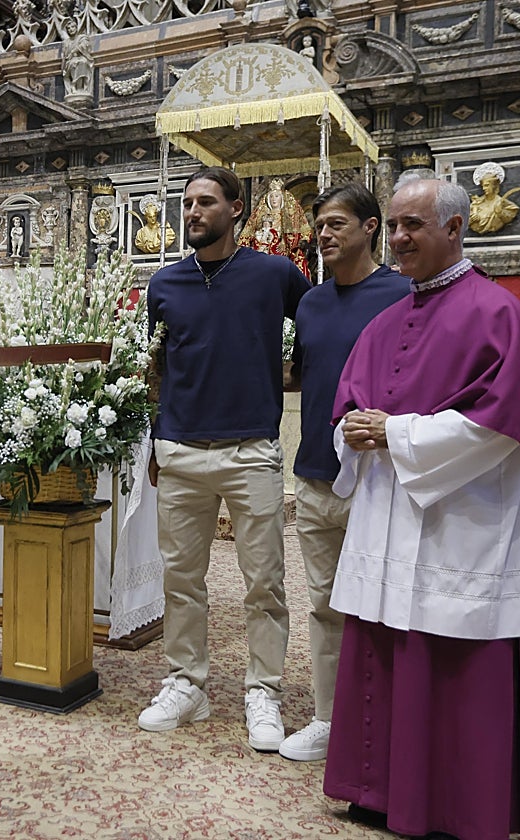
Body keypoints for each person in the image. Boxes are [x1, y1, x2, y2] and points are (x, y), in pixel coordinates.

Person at [323, 178, 520, 838]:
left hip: (458, 524)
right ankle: (379, 791)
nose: (398, 238)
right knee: (384, 649)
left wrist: (396, 434)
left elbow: (504, 425)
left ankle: (459, 804)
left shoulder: (497, 315)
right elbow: (349, 410)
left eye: (412, 225)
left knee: (452, 658)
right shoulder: (383, 321)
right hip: (386, 519)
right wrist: (349, 429)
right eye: (394, 225)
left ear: (455, 229)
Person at [140, 167, 310, 751]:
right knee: (181, 579)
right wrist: (154, 442)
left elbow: (316, 329)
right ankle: (188, 683)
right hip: (181, 447)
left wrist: (290, 376)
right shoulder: (164, 284)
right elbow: (154, 366)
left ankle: (263, 689)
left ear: (236, 209)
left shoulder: (273, 274)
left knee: (264, 581)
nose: (191, 213)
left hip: (250, 450)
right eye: (186, 203)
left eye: (205, 203)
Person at [280, 183, 409, 761]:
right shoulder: (309, 301)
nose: (324, 235)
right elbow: (308, 380)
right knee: (325, 605)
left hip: (380, 479)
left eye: (336, 224)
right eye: (320, 226)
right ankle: (329, 719)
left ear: (371, 227)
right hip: (315, 477)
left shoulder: (403, 296)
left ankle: (389, 721)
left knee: (384, 604)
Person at [468, 161, 520, 234]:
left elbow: (509, 216)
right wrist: (471, 220)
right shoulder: (476, 204)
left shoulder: (503, 203)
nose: (484, 188)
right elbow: (465, 222)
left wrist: (500, 213)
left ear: (494, 186)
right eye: (482, 186)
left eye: (486, 185)